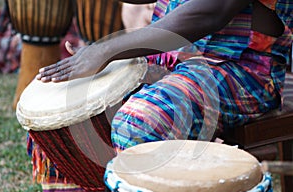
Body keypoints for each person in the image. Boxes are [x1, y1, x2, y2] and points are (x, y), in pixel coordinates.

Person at [36, 0, 292, 152]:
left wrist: (105, 50)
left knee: (138, 123)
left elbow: (210, 11)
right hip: (171, 59)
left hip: (241, 72)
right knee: (76, 108)